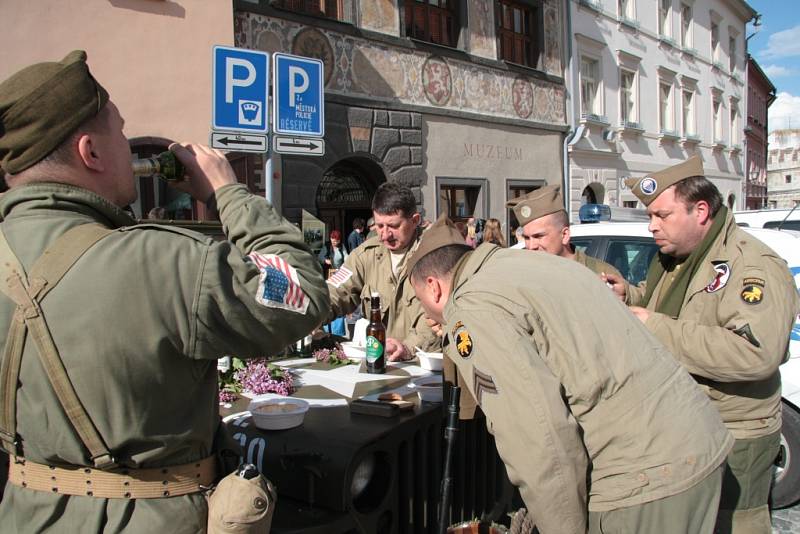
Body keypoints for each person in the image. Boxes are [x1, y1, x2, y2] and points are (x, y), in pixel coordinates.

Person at [0, 51, 329, 533]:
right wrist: (228, 193)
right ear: (90, 152)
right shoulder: (161, 261)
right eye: (120, 132)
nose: (129, 149)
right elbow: (298, 291)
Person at [407, 216, 734, 534]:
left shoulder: (474, 305)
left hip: (644, 477)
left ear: (434, 287)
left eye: (423, 303)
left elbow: (538, 438)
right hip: (695, 440)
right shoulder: (539, 266)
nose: (428, 314)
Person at [604, 155, 800, 533]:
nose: (652, 227)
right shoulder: (682, 259)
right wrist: (628, 295)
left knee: (733, 525)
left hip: (734, 433)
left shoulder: (751, 265)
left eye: (662, 216)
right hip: (690, 424)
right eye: (650, 216)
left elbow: (756, 353)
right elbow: (675, 307)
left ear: (701, 210)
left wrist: (654, 326)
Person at [325, 182, 439, 361]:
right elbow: (336, 292)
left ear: (415, 220)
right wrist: (310, 315)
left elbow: (436, 317)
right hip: (381, 364)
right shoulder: (365, 255)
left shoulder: (435, 255)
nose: (385, 235)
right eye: (379, 226)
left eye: (393, 226)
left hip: (424, 367)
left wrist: (408, 348)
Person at [510, 185, 622, 278]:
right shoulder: (524, 277)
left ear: (564, 235)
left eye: (539, 236)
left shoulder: (601, 274)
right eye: (527, 238)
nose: (531, 246)